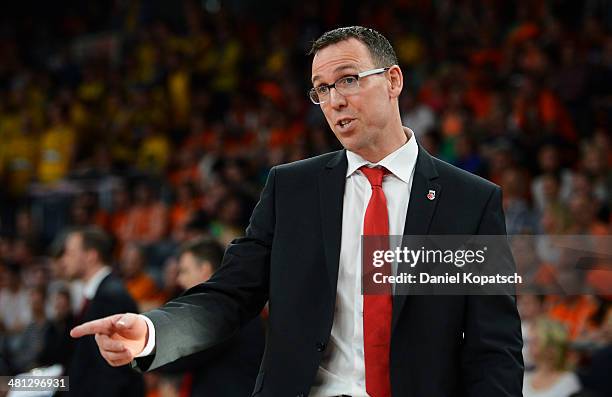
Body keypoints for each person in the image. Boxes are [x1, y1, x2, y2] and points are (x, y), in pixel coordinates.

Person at [71, 26, 523, 396]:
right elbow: (229, 295)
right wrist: (153, 332)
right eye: (322, 90)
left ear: (393, 81)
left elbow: (493, 347)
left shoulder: (470, 200)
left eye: (348, 80)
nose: (335, 101)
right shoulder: (291, 189)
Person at [161, 238, 264, 397]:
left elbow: (184, 356)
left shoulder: (224, 309)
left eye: (184, 271)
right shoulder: (227, 304)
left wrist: (139, 348)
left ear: (204, 269)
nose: (179, 280)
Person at [61, 226, 144, 397]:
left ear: (91, 256)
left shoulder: (109, 296)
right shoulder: (98, 293)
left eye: (69, 253)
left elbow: (112, 371)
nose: (64, 260)